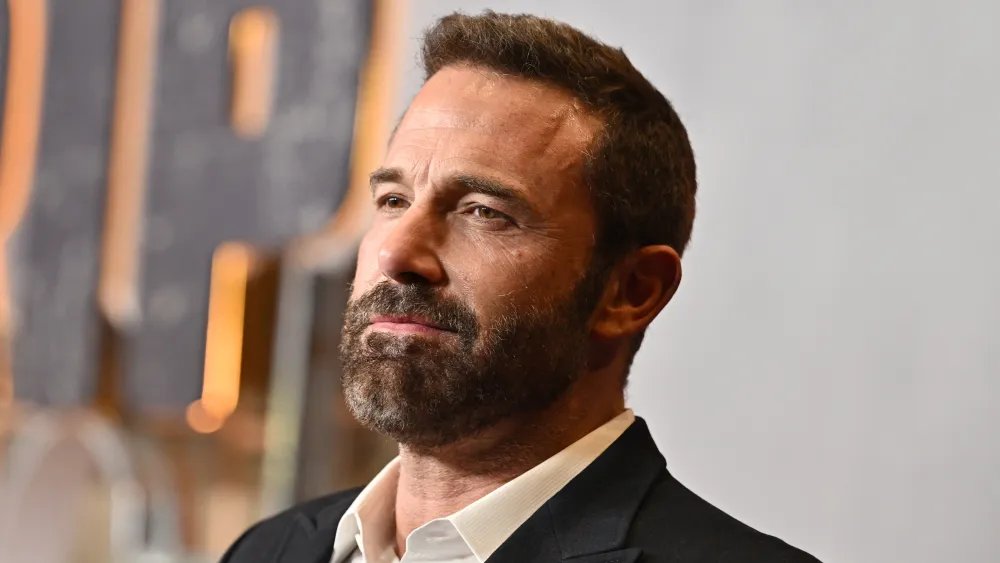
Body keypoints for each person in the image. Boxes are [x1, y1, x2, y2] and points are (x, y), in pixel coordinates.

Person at [223, 11, 820, 563]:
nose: (396, 254)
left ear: (630, 292)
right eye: (393, 200)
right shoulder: (267, 550)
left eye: (484, 212)